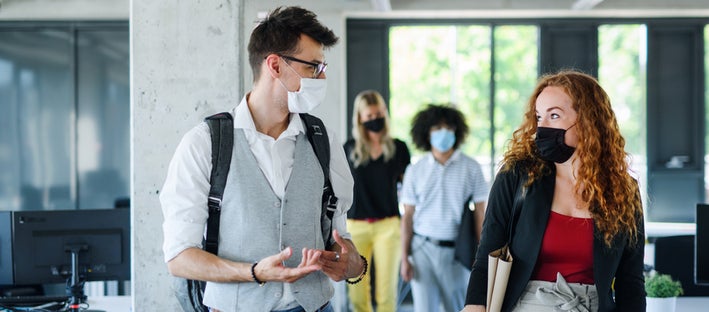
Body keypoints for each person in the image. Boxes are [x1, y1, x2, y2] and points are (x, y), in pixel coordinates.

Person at [160, 6, 366, 312]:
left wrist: (351, 264)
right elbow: (179, 257)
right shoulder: (204, 144)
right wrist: (253, 273)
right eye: (313, 67)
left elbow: (341, 238)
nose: (321, 77)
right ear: (275, 65)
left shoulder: (324, 141)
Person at [462, 70, 646, 312]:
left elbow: (630, 280)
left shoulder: (623, 190)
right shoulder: (517, 175)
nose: (542, 127)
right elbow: (487, 252)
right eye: (539, 117)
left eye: (554, 115)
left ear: (589, 120)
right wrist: (474, 306)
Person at [400, 104, 489, 312]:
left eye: (448, 128)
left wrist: (481, 256)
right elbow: (408, 217)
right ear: (426, 133)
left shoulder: (472, 168)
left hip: (458, 252)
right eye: (437, 128)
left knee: (459, 308)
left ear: (457, 132)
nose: (443, 133)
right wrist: (404, 258)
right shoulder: (415, 170)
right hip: (422, 250)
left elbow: (480, 213)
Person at [343, 90, 411, 312]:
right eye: (370, 116)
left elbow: (409, 188)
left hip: (388, 225)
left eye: (379, 114)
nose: (375, 120)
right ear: (360, 118)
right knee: (357, 290)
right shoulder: (349, 149)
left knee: (386, 291)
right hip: (356, 226)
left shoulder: (399, 148)